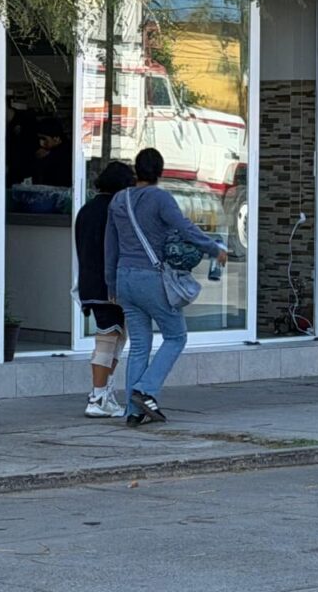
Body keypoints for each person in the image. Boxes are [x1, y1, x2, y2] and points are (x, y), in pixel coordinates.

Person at [105, 148, 227, 426]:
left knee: (138, 346)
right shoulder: (160, 198)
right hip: (152, 278)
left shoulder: (118, 200)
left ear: (137, 170)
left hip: (124, 278)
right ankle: (145, 390)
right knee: (176, 336)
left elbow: (109, 245)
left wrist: (111, 282)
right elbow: (184, 228)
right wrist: (212, 249)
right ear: (160, 171)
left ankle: (133, 412)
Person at [75, 161, 136, 418]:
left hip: (89, 283)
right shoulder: (115, 210)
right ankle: (98, 396)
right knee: (109, 339)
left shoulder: (86, 209)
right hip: (110, 285)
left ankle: (103, 393)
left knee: (112, 337)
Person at [31, 117, 71, 187]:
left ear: (56, 138)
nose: (41, 142)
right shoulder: (48, 151)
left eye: (44, 139)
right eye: (39, 139)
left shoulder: (65, 154)